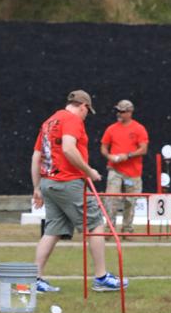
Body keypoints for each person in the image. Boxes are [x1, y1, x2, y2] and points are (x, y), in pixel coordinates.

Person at [30, 89, 127, 293]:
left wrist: (37, 187)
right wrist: (89, 171)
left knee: (53, 230)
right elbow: (68, 148)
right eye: (86, 111)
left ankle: (35, 279)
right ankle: (101, 277)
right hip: (68, 182)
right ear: (82, 106)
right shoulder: (73, 120)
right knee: (95, 224)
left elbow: (36, 156)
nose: (86, 116)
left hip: (49, 183)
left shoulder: (48, 122)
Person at [100, 99, 149, 235]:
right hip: (115, 170)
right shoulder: (111, 129)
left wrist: (127, 155)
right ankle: (110, 229)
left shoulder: (139, 128)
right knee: (111, 199)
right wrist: (109, 156)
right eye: (118, 111)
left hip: (132, 173)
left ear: (130, 112)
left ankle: (127, 229)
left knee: (130, 201)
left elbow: (143, 149)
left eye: (122, 111)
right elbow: (103, 147)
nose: (119, 114)